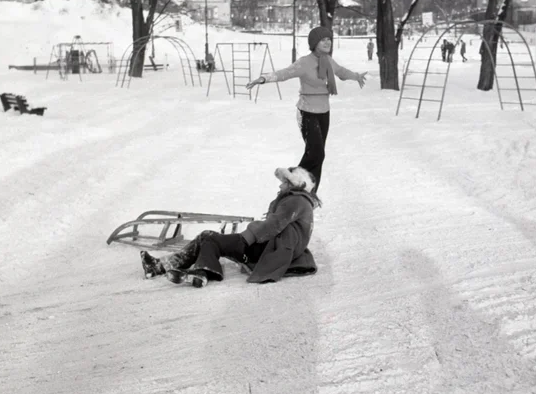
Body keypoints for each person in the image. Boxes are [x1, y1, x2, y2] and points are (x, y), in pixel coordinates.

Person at [140, 166, 319, 288]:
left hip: (263, 249)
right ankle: (197, 271)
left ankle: (187, 270)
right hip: (267, 246)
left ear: (296, 185)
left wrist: (246, 237)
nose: (281, 185)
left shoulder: (296, 201)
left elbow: (272, 226)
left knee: (209, 237)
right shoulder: (298, 201)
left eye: (286, 182)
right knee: (208, 237)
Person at [246, 26, 367, 191]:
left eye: (329, 39)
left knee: (316, 154)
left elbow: (341, 72)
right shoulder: (305, 62)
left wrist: (356, 76)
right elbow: (284, 73)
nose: (327, 42)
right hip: (307, 111)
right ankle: (291, 176)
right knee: (317, 152)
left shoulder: (328, 61)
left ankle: (309, 191)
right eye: (323, 39)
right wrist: (263, 78)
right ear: (314, 42)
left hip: (324, 112)